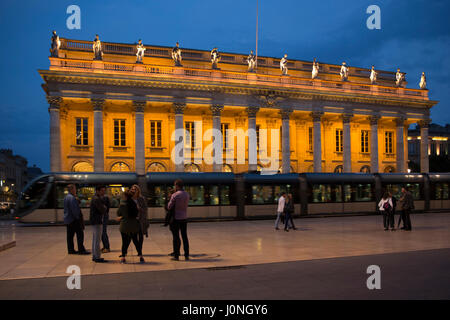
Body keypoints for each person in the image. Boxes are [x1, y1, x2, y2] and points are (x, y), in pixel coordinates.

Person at [117, 190, 144, 263]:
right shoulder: (134, 204)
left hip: (124, 226)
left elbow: (119, 213)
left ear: (125, 196)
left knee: (124, 242)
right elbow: (136, 214)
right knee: (136, 241)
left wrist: (121, 216)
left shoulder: (122, 205)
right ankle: (141, 256)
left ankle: (123, 257)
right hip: (134, 225)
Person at [167, 179, 190, 261]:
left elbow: (169, 206)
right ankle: (186, 254)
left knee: (176, 237)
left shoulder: (175, 195)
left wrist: (170, 199)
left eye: (175, 185)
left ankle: (176, 255)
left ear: (177, 185)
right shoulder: (187, 194)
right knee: (185, 237)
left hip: (176, 218)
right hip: (184, 218)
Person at [64, 184, 89, 255]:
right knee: (80, 234)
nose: (75, 190)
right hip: (74, 220)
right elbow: (75, 210)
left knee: (70, 236)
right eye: (75, 189)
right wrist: (78, 218)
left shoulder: (66, 197)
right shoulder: (72, 198)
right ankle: (81, 250)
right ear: (71, 189)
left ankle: (71, 250)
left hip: (68, 219)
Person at [90, 186, 108, 263]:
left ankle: (94, 255)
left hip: (94, 220)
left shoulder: (94, 198)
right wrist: (105, 207)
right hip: (97, 220)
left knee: (95, 239)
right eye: (102, 191)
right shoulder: (97, 199)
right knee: (97, 239)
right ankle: (97, 257)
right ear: (97, 191)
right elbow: (103, 209)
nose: (103, 192)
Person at [130, 184, 149, 255]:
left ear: (138, 191)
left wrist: (139, 209)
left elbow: (145, 209)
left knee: (140, 236)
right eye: (133, 189)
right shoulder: (130, 199)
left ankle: (139, 250)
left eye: (135, 189)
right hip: (132, 220)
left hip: (140, 220)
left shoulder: (141, 198)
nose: (134, 190)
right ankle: (138, 249)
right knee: (133, 236)